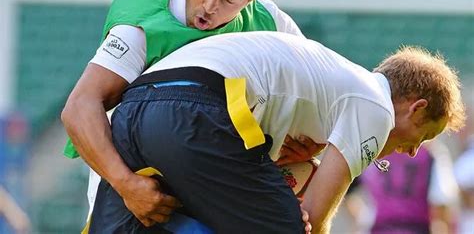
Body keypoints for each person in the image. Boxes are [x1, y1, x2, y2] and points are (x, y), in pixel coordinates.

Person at [61, 0, 320, 227]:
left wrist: (312, 144)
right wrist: (126, 185)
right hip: (136, 177)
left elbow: (321, 89)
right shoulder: (142, 23)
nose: (211, 6)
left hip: (217, 167)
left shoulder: (270, 22)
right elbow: (79, 107)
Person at [87, 31, 466, 233]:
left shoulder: (334, 81)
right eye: (423, 135)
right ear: (415, 106)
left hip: (136, 107)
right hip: (198, 113)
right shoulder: (377, 107)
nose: (413, 152)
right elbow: (313, 219)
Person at [352, 141, 459, 234]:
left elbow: (347, 189)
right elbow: (441, 204)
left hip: (379, 230)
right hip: (416, 229)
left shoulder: (372, 149)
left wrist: (362, 219)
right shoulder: (431, 152)